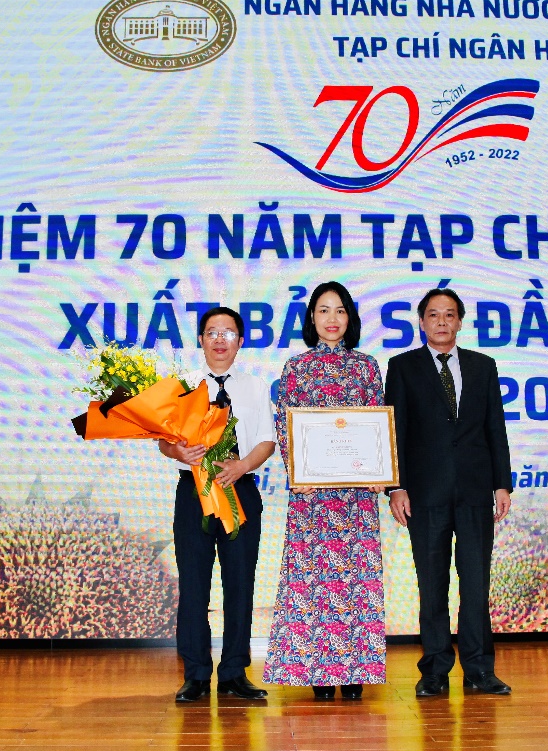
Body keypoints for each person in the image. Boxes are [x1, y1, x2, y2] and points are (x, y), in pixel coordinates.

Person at [385, 287, 513, 697]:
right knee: (432, 584)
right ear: (422, 321)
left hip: (475, 490)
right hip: (424, 493)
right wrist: (396, 487)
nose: (442, 321)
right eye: (434, 314)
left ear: (460, 321)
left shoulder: (482, 366)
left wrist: (502, 483)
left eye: (449, 314)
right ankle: (435, 670)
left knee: (475, 584)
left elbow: (495, 426)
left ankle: (479, 669)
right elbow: (395, 430)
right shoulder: (402, 367)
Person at [263, 282, 386, 700]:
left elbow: (378, 423)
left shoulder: (367, 367)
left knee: (356, 580)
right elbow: (285, 425)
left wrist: (380, 470)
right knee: (312, 580)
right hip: (312, 495)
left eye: (340, 311)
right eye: (323, 310)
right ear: (311, 318)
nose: (332, 319)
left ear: (350, 318)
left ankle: (354, 672)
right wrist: (300, 470)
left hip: (357, 494)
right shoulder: (296, 368)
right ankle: (316, 671)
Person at [161, 306, 276, 703]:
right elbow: (163, 441)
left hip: (239, 490)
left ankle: (233, 673)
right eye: (212, 332)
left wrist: (242, 466)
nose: (220, 339)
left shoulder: (255, 387)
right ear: (201, 339)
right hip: (194, 493)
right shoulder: (182, 385)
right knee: (194, 586)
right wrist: (179, 451)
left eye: (228, 333)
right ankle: (195, 674)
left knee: (240, 585)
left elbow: (267, 440)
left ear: (240, 341)